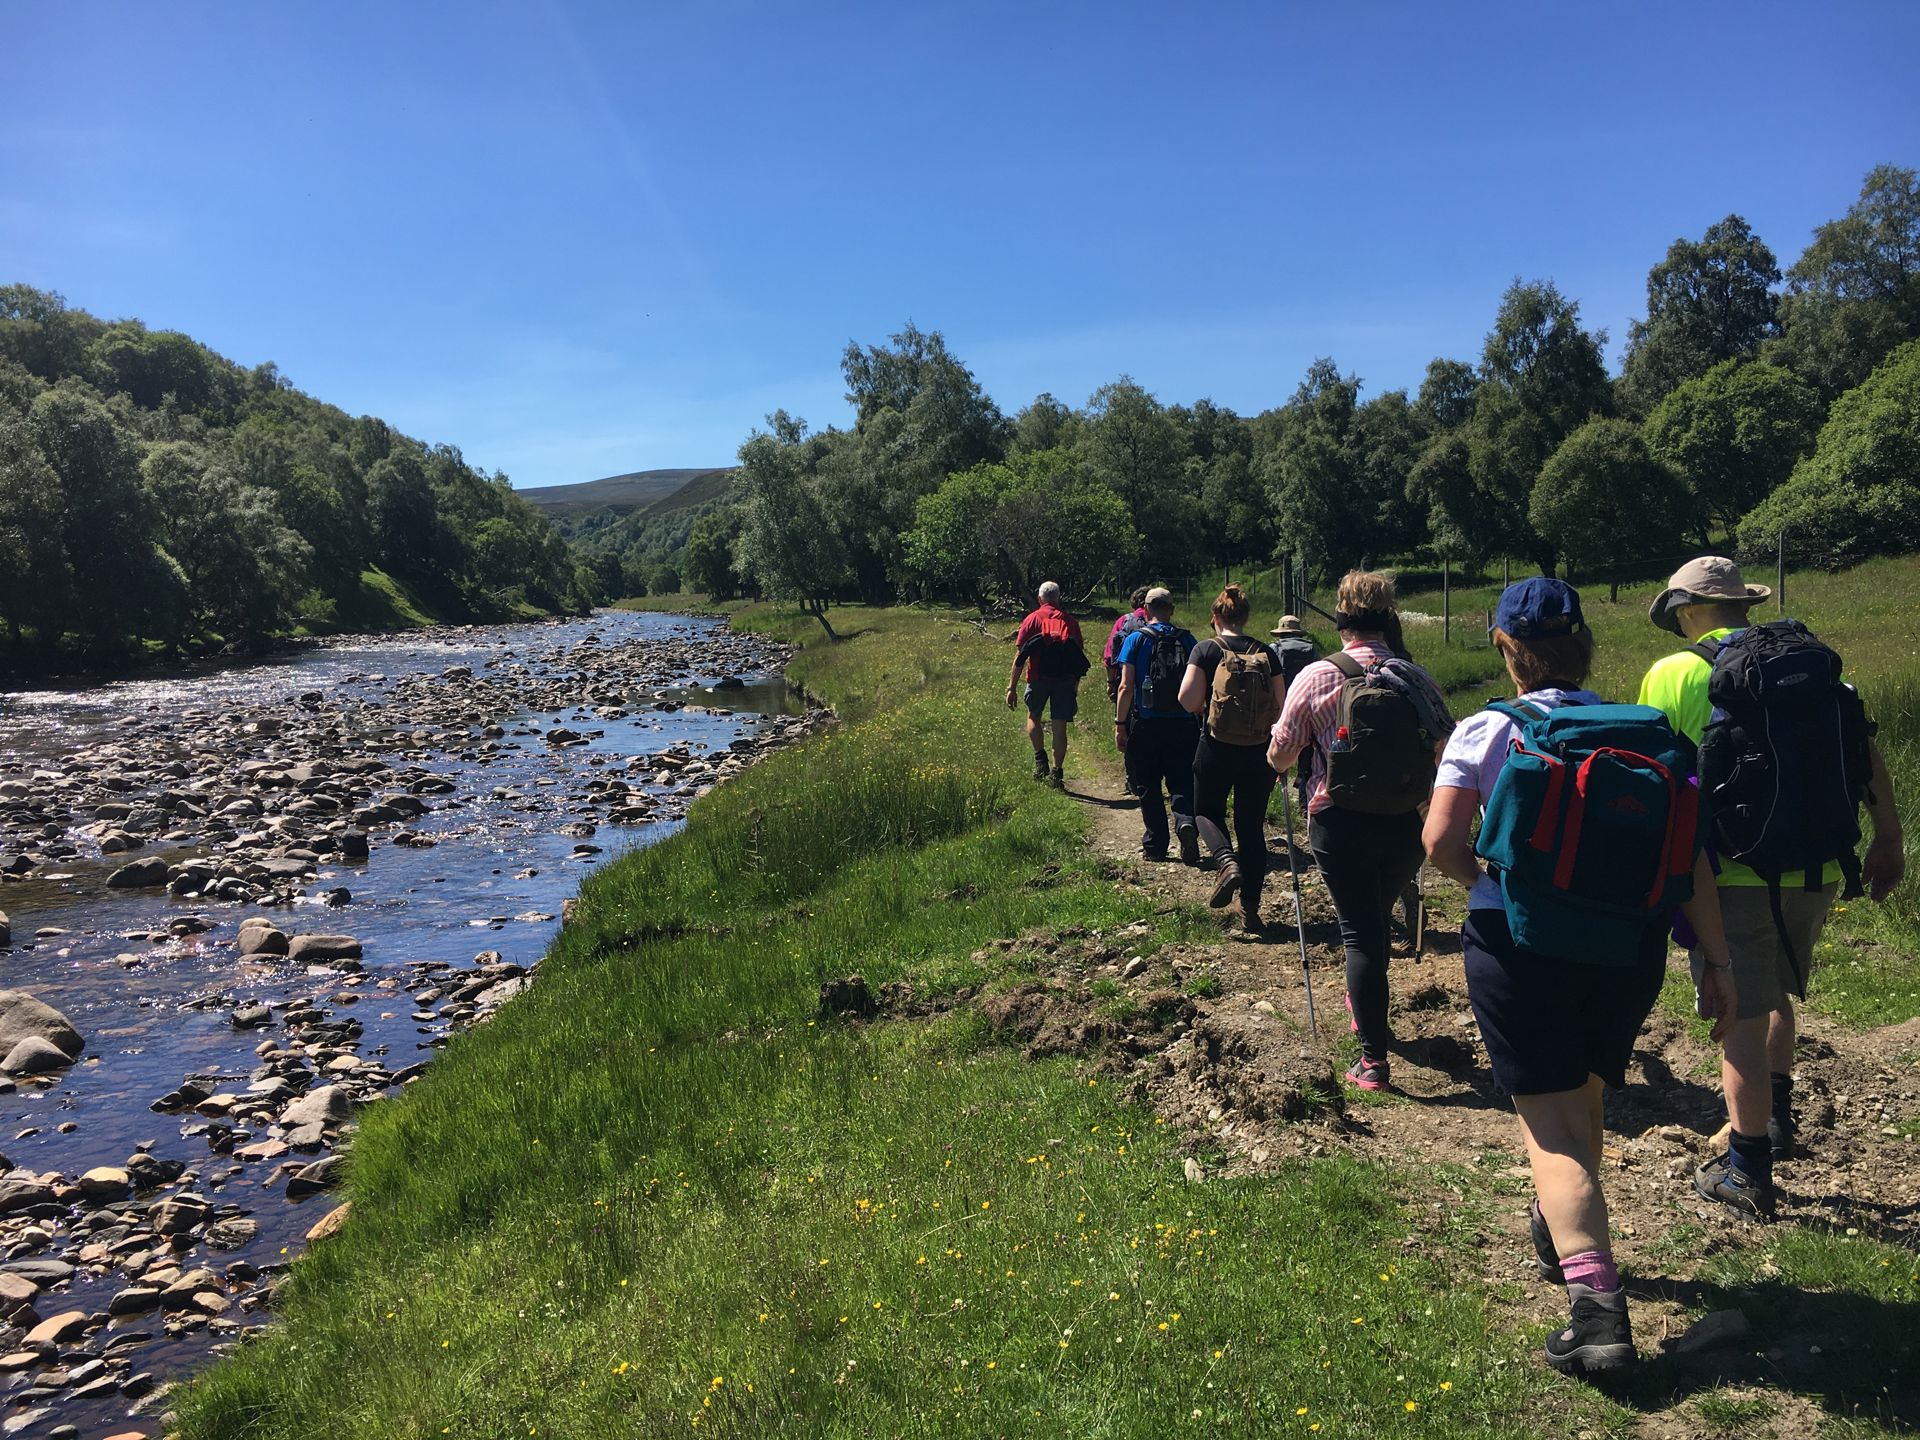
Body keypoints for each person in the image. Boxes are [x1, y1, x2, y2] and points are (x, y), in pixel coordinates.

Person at [1424, 576, 1739, 1375]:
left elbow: (1440, 842)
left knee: (1550, 1129)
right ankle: (1556, 1220)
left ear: (1505, 647)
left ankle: (1596, 1313)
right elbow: (1691, 856)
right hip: (1628, 948)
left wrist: (1498, 892)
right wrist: (1715, 958)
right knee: (1588, 1090)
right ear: (1586, 646)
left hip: (1519, 948)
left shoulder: (1485, 730)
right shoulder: (1646, 730)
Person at [1638, 556, 1905, 1219]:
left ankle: (1747, 1165)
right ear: (1744, 604)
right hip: (1815, 867)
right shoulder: (1810, 666)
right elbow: (1861, 750)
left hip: (1728, 873)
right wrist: (1889, 838)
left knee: (1738, 1015)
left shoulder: (1676, 673)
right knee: (1775, 992)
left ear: (1685, 610)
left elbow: (1650, 776)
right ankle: (1777, 1113)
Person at [1267, 570, 1452, 1092]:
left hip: (1338, 819)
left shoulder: (1317, 676)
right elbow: (1445, 749)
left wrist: (1287, 755)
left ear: (1342, 617)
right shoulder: (1416, 678)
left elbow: (1281, 754)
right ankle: (1367, 1008)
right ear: (1388, 616)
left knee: (1360, 933)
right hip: (1403, 823)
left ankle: (1373, 1059)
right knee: (1374, 918)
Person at [1179, 584, 1286, 930]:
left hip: (1216, 746)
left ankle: (1226, 862)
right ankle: (1251, 908)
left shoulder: (1206, 650)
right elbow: (1281, 706)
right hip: (1258, 751)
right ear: (1245, 617)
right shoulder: (1266, 652)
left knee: (1205, 810)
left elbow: (1187, 699)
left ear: (1215, 618)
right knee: (1251, 826)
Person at [1114, 587, 1200, 862]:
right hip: (1183, 724)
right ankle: (1185, 821)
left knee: (1148, 784)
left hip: (1147, 724)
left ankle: (1155, 845)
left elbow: (1126, 686)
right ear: (1171, 610)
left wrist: (1120, 724)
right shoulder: (1188, 640)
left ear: (1146, 610)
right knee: (1181, 780)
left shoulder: (1135, 640)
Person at [1006, 580, 1087, 787]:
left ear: (1040, 598)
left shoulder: (1032, 619)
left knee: (1034, 716)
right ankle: (1056, 772)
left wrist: (1012, 688)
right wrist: (1075, 683)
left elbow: (1020, 656)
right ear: (1058, 598)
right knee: (1060, 728)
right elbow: (1078, 656)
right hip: (1064, 680)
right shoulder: (1070, 622)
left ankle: (1040, 759)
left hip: (1037, 677)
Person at [1104, 586, 1152, 701]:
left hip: (1126, 678)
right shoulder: (1160, 623)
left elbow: (1110, 655)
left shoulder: (1124, 621)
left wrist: (1110, 682)